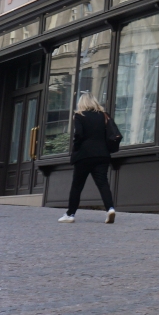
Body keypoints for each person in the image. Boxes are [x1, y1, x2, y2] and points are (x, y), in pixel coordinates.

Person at [61, 93, 116, 223]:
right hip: (102, 154)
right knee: (103, 183)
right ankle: (110, 208)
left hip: (84, 155)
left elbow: (78, 133)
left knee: (77, 186)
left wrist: (77, 147)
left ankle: (70, 214)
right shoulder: (103, 115)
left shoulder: (80, 115)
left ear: (82, 103)